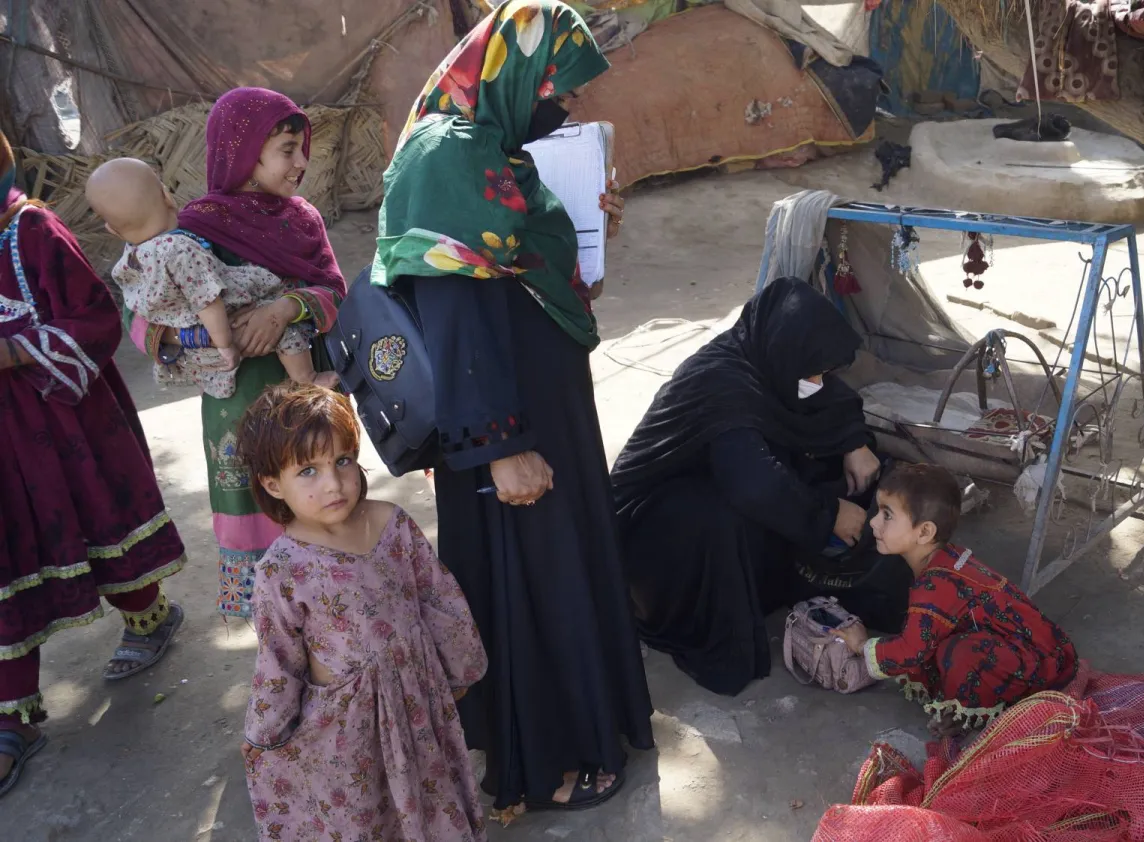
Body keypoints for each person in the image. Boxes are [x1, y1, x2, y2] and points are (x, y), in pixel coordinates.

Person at [374, 0, 648, 821]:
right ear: (513, 70)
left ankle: (579, 726)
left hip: (537, 401)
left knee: (557, 563)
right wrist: (500, 445)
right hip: (504, 417)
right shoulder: (448, 152)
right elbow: (455, 311)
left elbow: (527, 271)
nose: (563, 107)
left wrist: (588, 231)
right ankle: (550, 759)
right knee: (536, 574)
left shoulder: (493, 146)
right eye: (556, 87)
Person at [611, 277, 912, 697]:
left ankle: (778, 582)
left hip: (716, 481)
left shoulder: (768, 357)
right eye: (813, 372)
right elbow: (754, 485)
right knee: (726, 513)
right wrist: (830, 514)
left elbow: (829, 401)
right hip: (652, 531)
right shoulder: (721, 381)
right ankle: (708, 618)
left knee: (812, 462)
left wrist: (853, 443)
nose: (817, 380)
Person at [0, 130, 187, 798]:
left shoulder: (35, 233)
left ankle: (148, 614)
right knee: (9, 562)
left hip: (62, 425)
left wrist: (16, 353)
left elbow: (96, 320)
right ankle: (12, 717)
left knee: (96, 526)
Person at [123, 87, 347, 619]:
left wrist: (283, 310)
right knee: (258, 510)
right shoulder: (192, 230)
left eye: (302, 148)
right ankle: (275, 635)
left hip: (302, 400)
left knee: (322, 503)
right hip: (236, 405)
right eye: (287, 149)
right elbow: (143, 321)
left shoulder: (304, 221)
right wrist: (206, 336)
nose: (301, 163)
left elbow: (335, 291)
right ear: (244, 152)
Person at [236, 384, 488, 840]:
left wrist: (460, 669)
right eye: (308, 471)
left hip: (417, 698)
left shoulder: (392, 523)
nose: (333, 483)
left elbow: (438, 600)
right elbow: (278, 663)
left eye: (342, 461)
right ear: (273, 484)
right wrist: (264, 736)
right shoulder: (281, 569)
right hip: (347, 728)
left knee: (429, 795)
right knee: (367, 816)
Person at [832, 464, 1079, 735]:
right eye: (878, 511)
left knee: (952, 651)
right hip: (1040, 649)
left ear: (924, 533)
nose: (873, 522)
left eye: (887, 514)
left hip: (1040, 666)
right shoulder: (948, 559)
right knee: (932, 638)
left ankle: (974, 712)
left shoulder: (935, 586)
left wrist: (861, 644)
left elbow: (910, 650)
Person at [88, 157, 333, 399]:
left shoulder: (131, 260)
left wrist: (193, 338)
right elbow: (207, 300)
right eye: (287, 150)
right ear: (166, 196)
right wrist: (224, 342)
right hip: (228, 327)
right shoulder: (183, 244)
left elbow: (138, 305)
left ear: (113, 230)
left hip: (194, 353)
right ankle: (307, 379)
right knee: (288, 330)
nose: (300, 161)